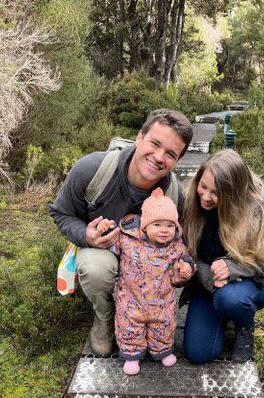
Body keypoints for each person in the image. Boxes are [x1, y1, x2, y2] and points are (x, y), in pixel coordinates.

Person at [50, 109, 193, 357]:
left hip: (147, 272)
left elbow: (181, 243)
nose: (159, 157)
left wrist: (183, 269)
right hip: (104, 254)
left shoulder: (175, 195)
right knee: (96, 268)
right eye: (155, 144)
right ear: (139, 138)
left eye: (170, 154)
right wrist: (86, 235)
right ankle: (104, 317)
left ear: (177, 161)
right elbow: (62, 213)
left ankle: (146, 320)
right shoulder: (91, 169)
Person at [181, 149, 264, 364]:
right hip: (207, 282)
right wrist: (210, 278)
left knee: (231, 299)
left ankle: (244, 324)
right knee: (199, 353)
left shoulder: (259, 203)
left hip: (249, 283)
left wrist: (235, 268)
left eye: (217, 192)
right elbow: (186, 253)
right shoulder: (191, 200)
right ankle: (222, 313)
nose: (206, 197)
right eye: (204, 186)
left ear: (235, 193)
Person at [97, 188, 195, 375]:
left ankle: (162, 350)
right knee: (130, 327)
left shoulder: (175, 245)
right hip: (132, 300)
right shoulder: (127, 239)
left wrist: (187, 267)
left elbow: (186, 257)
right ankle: (132, 355)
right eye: (157, 224)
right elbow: (107, 244)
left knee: (163, 325)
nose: (164, 230)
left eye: (169, 225)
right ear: (144, 226)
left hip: (162, 301)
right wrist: (104, 230)